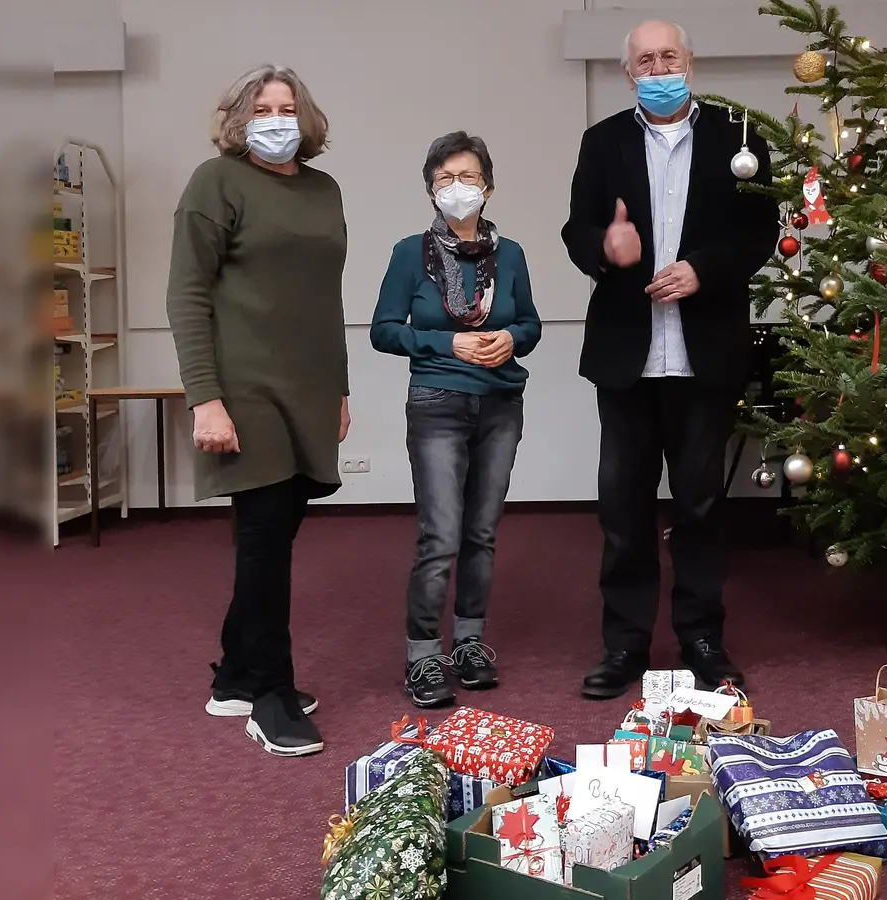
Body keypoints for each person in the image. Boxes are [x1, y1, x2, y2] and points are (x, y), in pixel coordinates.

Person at [561, 21, 778, 699]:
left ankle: (703, 639)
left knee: (700, 508)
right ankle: (623, 645)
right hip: (627, 356)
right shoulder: (603, 143)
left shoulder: (739, 138)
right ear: (628, 74)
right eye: (645, 61)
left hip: (703, 355)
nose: (658, 68)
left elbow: (759, 232)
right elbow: (578, 230)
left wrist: (701, 271)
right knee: (623, 511)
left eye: (669, 57)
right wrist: (607, 246)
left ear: (691, 62)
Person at [166, 65, 350, 757]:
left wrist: (339, 388)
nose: (277, 119)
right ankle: (270, 696)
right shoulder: (215, 183)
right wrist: (204, 399)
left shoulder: (324, 189)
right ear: (239, 120)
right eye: (262, 108)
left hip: (308, 388)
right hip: (243, 389)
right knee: (266, 536)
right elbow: (186, 295)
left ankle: (235, 675)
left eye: (287, 107)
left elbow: (324, 299)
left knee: (275, 532)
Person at [372, 132, 541, 709]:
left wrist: (508, 337)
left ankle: (469, 644)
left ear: (488, 188)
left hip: (500, 404)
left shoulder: (510, 255)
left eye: (467, 177)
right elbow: (384, 331)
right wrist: (450, 344)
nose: (457, 188)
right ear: (431, 191)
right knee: (440, 535)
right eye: (444, 180)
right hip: (437, 402)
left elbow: (532, 327)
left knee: (481, 533)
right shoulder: (409, 253)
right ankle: (423, 655)